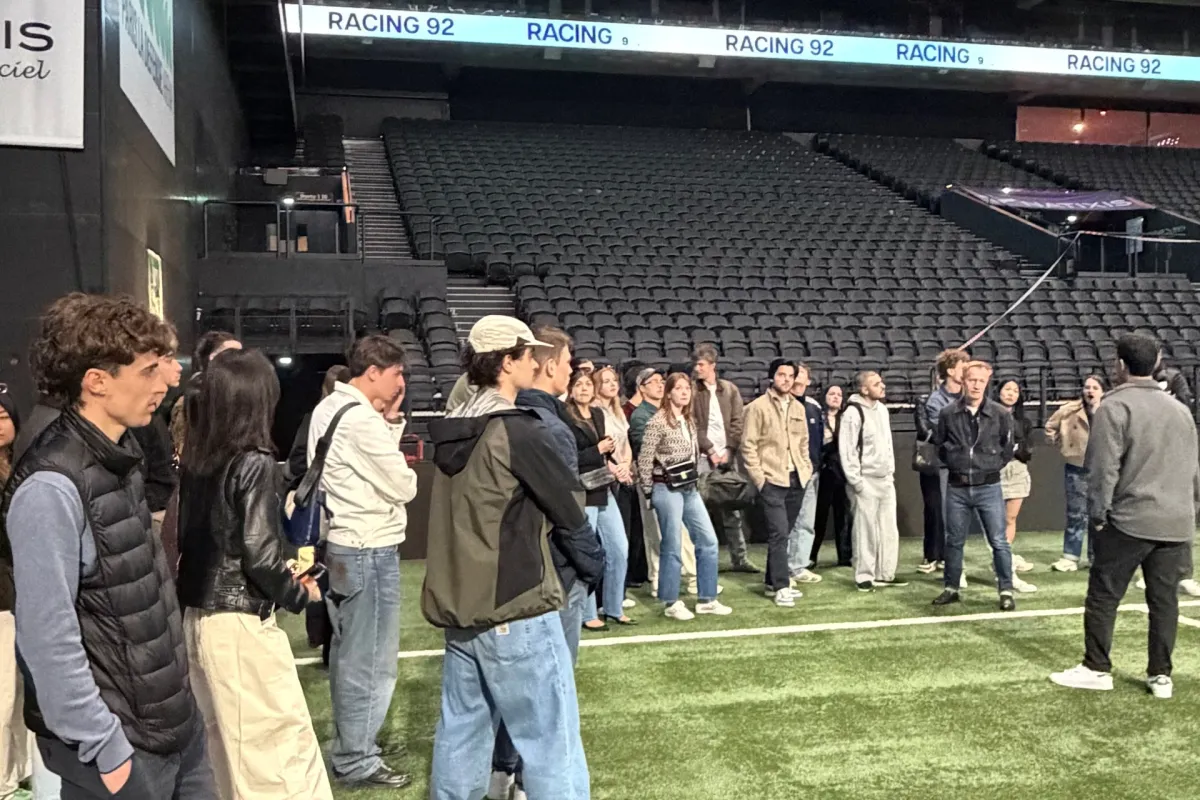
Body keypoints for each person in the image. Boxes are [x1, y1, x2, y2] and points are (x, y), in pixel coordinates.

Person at [1, 293, 215, 798]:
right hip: (123, 750)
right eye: (148, 369)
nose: (168, 380)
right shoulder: (50, 486)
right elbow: (47, 638)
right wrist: (105, 747)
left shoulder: (119, 452)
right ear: (96, 382)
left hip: (172, 730)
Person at [425, 316, 594, 800]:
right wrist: (593, 565)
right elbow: (569, 510)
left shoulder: (453, 427)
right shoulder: (517, 432)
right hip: (514, 604)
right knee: (551, 743)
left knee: (460, 735)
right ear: (507, 361)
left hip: (461, 607)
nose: (532, 362)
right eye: (525, 354)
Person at [176, 350, 331, 799]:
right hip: (240, 624)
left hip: (200, 619)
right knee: (276, 755)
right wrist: (299, 593)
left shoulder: (198, 462)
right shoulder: (254, 462)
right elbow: (260, 556)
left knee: (223, 753)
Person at [1051, 334, 1200, 699]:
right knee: (1164, 601)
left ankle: (1096, 667)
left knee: (1103, 595)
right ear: (1157, 361)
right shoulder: (1180, 409)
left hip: (1130, 519)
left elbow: (1103, 469)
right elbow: (1192, 469)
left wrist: (1098, 514)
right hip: (1175, 521)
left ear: (1119, 365)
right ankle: (1160, 675)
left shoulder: (1114, 407)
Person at [490, 326, 604, 800]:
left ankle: (502, 773)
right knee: (549, 694)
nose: (574, 367)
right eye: (569, 358)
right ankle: (523, 780)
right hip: (555, 574)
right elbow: (566, 510)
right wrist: (593, 564)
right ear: (549, 363)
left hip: (520, 570)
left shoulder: (506, 417)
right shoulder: (548, 427)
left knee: (518, 689)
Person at [308, 335, 418, 789]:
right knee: (370, 661)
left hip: (344, 545)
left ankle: (356, 745)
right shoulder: (361, 422)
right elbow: (405, 484)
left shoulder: (328, 409)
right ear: (373, 371)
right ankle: (356, 757)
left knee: (353, 656)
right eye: (396, 374)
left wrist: (389, 419)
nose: (401, 384)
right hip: (369, 547)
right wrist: (388, 426)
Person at [638, 374, 732, 621]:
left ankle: (707, 598)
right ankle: (671, 601)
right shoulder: (657, 422)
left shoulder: (688, 420)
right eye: (678, 388)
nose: (684, 392)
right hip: (666, 488)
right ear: (668, 393)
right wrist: (648, 492)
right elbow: (645, 460)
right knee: (672, 545)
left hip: (689, 487)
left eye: (686, 388)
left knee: (708, 540)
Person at [932, 361, 1016, 611]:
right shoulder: (948, 413)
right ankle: (951, 587)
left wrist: (988, 467)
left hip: (988, 487)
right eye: (972, 379)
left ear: (987, 382)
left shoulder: (1001, 414)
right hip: (957, 488)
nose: (976, 385)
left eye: (981, 380)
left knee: (999, 541)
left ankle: (1006, 589)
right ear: (963, 381)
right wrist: (957, 464)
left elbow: (1007, 449)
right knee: (954, 541)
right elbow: (939, 445)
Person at [566, 371, 633, 629]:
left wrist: (615, 465)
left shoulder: (598, 414)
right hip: (582, 490)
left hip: (603, 486)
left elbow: (604, 455)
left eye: (587, 384)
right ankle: (587, 612)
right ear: (571, 390)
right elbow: (568, 455)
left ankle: (614, 606)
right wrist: (597, 450)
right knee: (589, 552)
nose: (583, 388)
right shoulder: (565, 416)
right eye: (578, 385)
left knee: (618, 548)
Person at [741, 360, 811, 608]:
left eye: (790, 376)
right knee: (779, 533)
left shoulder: (798, 408)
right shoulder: (756, 408)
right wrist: (760, 479)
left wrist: (806, 466)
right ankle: (782, 585)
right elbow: (747, 446)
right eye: (781, 375)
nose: (786, 380)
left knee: (785, 533)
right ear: (772, 378)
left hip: (797, 478)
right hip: (772, 479)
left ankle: (772, 581)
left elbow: (803, 442)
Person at [629, 368, 700, 598]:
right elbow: (646, 451)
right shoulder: (642, 415)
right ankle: (660, 582)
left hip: (680, 480)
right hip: (658, 479)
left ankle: (689, 579)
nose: (659, 385)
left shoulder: (671, 412)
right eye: (653, 382)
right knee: (658, 534)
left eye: (662, 381)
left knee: (681, 534)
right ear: (641, 388)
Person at [691, 345, 757, 573]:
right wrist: (710, 449)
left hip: (727, 456)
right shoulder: (692, 391)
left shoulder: (729, 390)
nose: (697, 368)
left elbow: (738, 422)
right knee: (699, 509)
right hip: (701, 457)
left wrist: (728, 449)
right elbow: (693, 424)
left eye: (701, 364)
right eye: (696, 364)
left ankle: (740, 559)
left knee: (732, 510)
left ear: (712, 366)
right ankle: (700, 563)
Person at [840, 371, 905, 593]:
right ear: (864, 389)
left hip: (885, 479)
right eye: (877, 384)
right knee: (865, 530)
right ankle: (864, 575)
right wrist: (856, 482)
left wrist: (891, 472)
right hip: (865, 479)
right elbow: (847, 450)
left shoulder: (883, 411)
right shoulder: (852, 412)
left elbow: (887, 444)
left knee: (888, 529)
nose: (883, 386)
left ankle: (885, 573)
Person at [916, 348, 970, 574]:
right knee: (936, 510)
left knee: (956, 512)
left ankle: (949, 555)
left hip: (960, 462)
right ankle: (934, 555)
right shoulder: (935, 400)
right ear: (950, 371)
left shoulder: (968, 396)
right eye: (962, 368)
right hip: (939, 463)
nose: (967, 372)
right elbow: (944, 431)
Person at [1046, 375, 1105, 572]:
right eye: (1087, 387)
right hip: (1076, 467)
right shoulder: (1071, 409)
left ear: (1102, 391)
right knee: (1076, 514)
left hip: (1102, 469)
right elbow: (1050, 427)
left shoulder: (1110, 410)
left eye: (1095, 387)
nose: (1090, 391)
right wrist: (1063, 445)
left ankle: (1096, 556)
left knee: (1100, 515)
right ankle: (1070, 557)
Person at [591, 365, 638, 606]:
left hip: (622, 477)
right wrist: (616, 469)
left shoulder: (618, 412)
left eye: (613, 381)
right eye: (606, 381)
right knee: (604, 541)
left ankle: (617, 594)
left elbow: (626, 445)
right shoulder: (594, 411)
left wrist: (626, 466)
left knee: (622, 539)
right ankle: (600, 597)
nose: (612, 385)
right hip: (605, 479)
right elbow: (601, 448)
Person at [995, 378, 1038, 593]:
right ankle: (1001, 560)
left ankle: (1006, 562)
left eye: (1015, 390)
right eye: (1007, 389)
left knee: (1010, 518)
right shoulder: (990, 415)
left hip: (1017, 471)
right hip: (995, 470)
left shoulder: (1024, 421)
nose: (1011, 393)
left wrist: (1015, 450)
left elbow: (1027, 450)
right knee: (995, 521)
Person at [786, 363, 825, 584]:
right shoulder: (783, 404)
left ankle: (798, 566)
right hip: (789, 473)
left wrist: (816, 465)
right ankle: (783, 568)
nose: (799, 379)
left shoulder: (813, 407)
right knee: (788, 523)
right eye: (796, 374)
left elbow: (818, 440)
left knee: (807, 522)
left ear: (808, 381)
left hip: (812, 473)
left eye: (803, 375)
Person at [812, 385, 852, 568]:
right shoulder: (818, 418)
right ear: (824, 397)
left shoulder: (847, 419)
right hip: (823, 471)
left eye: (839, 394)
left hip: (842, 473)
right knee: (818, 516)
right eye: (832, 394)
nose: (836, 397)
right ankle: (811, 556)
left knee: (843, 516)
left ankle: (845, 556)